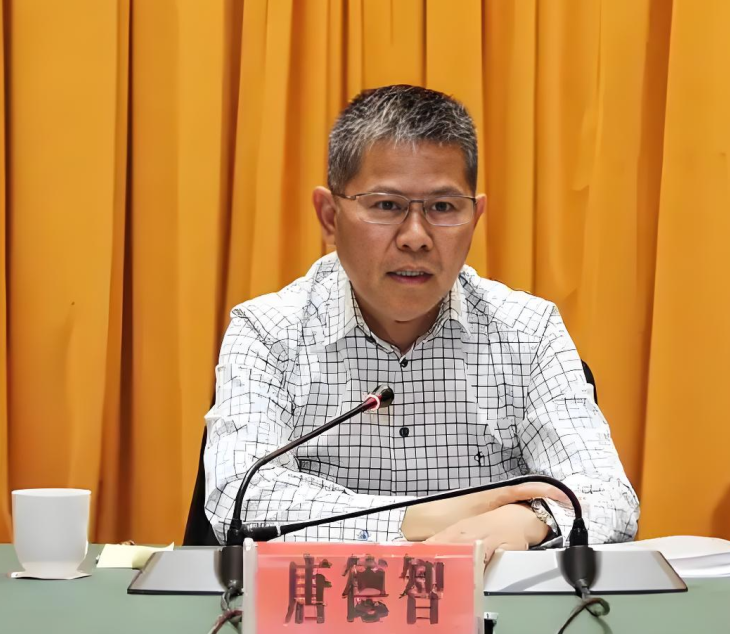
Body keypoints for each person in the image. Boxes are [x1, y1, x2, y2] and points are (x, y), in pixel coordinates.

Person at [204, 85, 639, 559]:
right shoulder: (268, 332)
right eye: (386, 206)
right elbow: (237, 499)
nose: (416, 237)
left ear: (475, 217)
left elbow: (608, 496)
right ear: (330, 217)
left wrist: (530, 519)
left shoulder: (529, 331)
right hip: (326, 603)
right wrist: (422, 517)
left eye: (443, 208)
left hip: (488, 603)